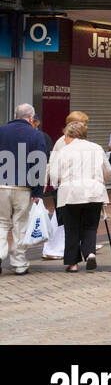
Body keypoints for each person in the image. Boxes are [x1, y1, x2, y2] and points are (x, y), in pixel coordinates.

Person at [48, 117, 111, 272]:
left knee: (72, 228)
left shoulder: (64, 151)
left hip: (70, 193)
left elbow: (54, 175)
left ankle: (73, 264)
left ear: (70, 134)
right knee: (90, 227)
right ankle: (90, 254)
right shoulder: (96, 148)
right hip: (94, 192)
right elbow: (108, 172)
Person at [0, 104, 48, 276]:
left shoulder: (1, 131)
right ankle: (19, 263)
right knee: (20, 224)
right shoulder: (36, 135)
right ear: (31, 118)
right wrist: (37, 192)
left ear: (15, 115)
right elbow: (39, 163)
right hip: (23, 187)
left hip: (1, 184)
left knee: (1, 222)